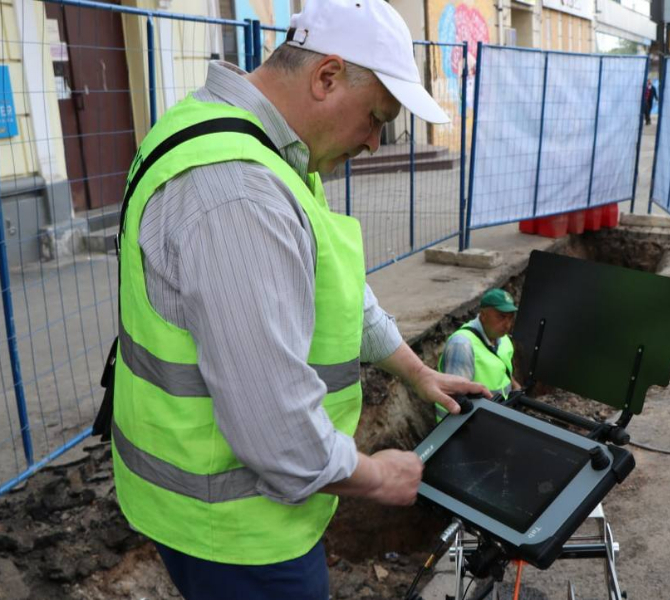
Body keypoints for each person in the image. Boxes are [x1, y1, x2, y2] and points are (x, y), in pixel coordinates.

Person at [107, 1, 490, 598]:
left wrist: (416, 373)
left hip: (222, 515)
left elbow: (334, 288)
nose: (372, 143)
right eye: (374, 118)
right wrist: (376, 478)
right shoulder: (241, 195)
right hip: (235, 533)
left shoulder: (242, 137)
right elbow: (274, 427)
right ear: (327, 77)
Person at [436, 288, 521, 420]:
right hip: (467, 426)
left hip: (497, 413)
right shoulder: (462, 345)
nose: (507, 325)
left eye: (510, 318)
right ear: (483, 315)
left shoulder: (502, 338)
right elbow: (457, 400)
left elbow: (502, 369)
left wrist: (515, 387)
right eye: (501, 317)